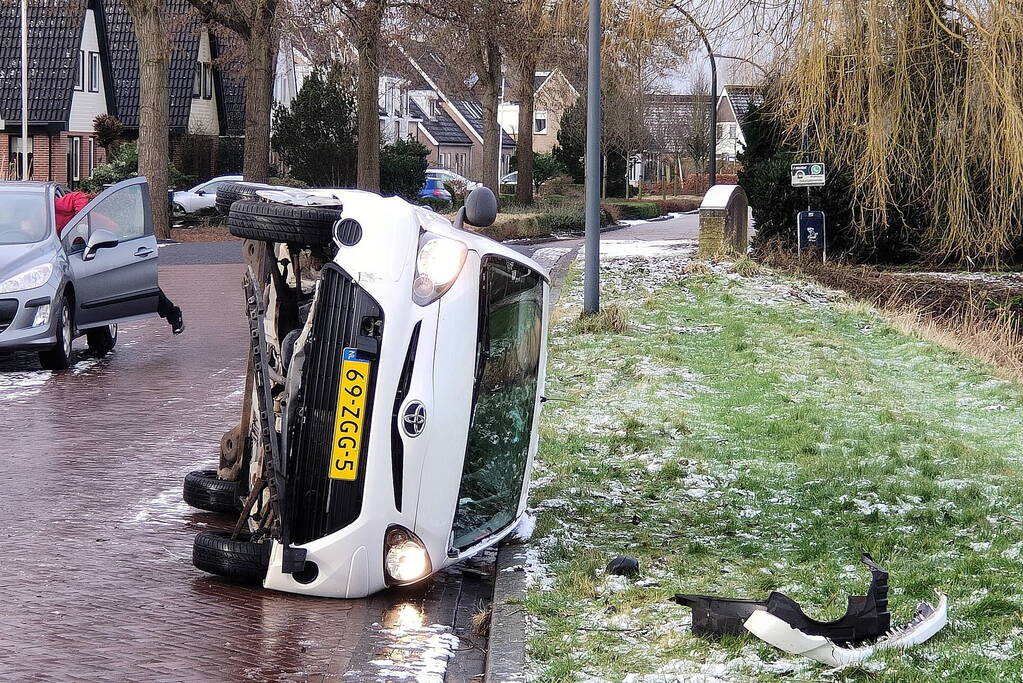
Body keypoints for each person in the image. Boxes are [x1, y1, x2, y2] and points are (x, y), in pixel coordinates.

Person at [54, 190, 185, 334]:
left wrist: (81, 220)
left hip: (106, 239)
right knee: (94, 296)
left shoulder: (55, 205)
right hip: (82, 249)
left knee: (135, 284)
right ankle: (99, 347)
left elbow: (78, 197)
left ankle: (173, 314)